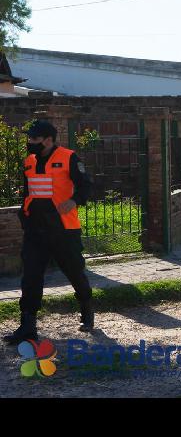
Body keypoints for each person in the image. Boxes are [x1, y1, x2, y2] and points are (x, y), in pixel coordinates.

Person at [3, 120, 94, 345]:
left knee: (74, 271)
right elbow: (27, 192)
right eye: (30, 138)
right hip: (36, 229)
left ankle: (86, 309)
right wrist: (24, 216)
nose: (30, 142)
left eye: (34, 138)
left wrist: (73, 201)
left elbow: (86, 186)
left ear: (49, 140)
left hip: (64, 229)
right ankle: (27, 326)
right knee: (31, 276)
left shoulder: (68, 157)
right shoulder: (29, 161)